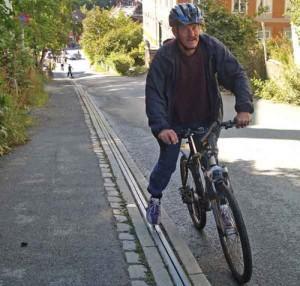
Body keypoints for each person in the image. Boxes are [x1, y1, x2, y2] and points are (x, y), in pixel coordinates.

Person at [145, 3, 254, 225]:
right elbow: (154, 94)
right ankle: (155, 198)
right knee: (167, 163)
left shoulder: (211, 47)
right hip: (173, 121)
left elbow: (236, 74)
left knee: (212, 164)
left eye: (195, 26)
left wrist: (244, 107)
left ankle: (223, 206)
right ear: (174, 30)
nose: (192, 32)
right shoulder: (165, 57)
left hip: (206, 117)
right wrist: (162, 127)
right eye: (185, 27)